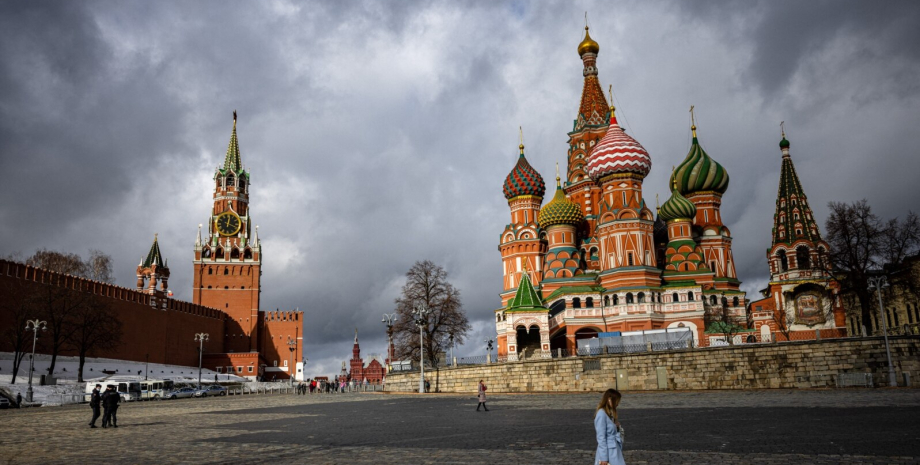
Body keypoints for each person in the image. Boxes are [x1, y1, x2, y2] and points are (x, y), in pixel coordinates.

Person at [593, 388, 625, 465]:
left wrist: (617, 426)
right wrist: (604, 458)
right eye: (616, 401)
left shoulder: (610, 414)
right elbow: (601, 437)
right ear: (609, 399)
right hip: (608, 453)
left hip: (614, 451)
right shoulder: (601, 414)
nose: (617, 404)